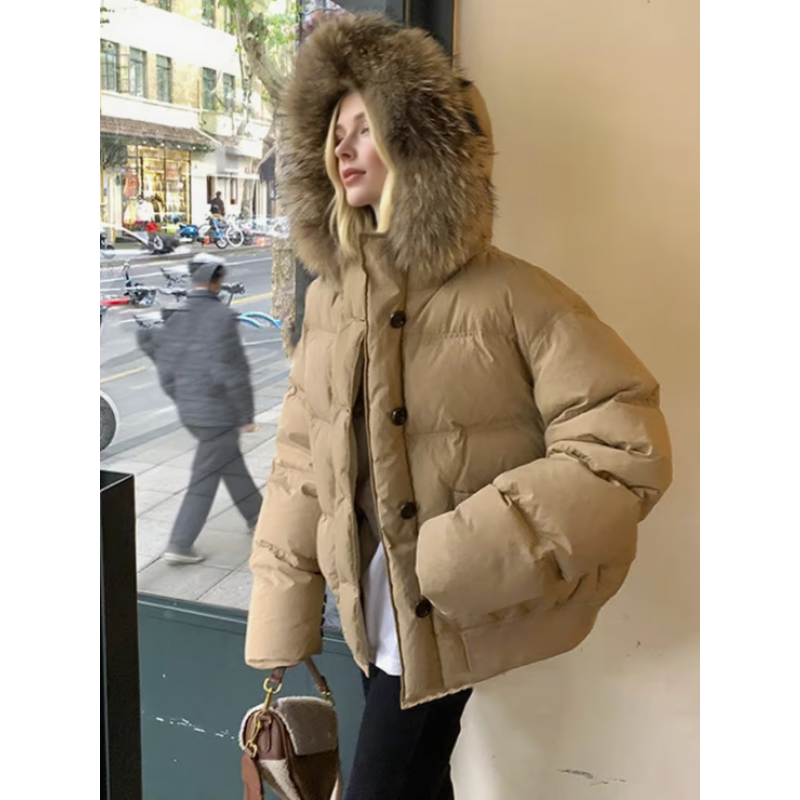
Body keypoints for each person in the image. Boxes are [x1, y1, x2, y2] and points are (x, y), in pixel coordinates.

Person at [245, 14, 673, 800]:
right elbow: (300, 461)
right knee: (418, 781)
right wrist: (282, 612)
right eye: (334, 133)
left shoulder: (515, 296)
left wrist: (454, 557)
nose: (343, 148)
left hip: (445, 611)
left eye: (365, 128)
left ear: (418, 146)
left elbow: (624, 447)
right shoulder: (333, 301)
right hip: (369, 615)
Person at [137, 254, 263, 564]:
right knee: (204, 479)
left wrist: (180, 397)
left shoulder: (177, 316)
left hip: (191, 411)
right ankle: (180, 543)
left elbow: (165, 366)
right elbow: (233, 372)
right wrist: (246, 415)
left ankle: (257, 515)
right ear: (217, 280)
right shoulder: (222, 317)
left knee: (230, 463)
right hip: (217, 414)